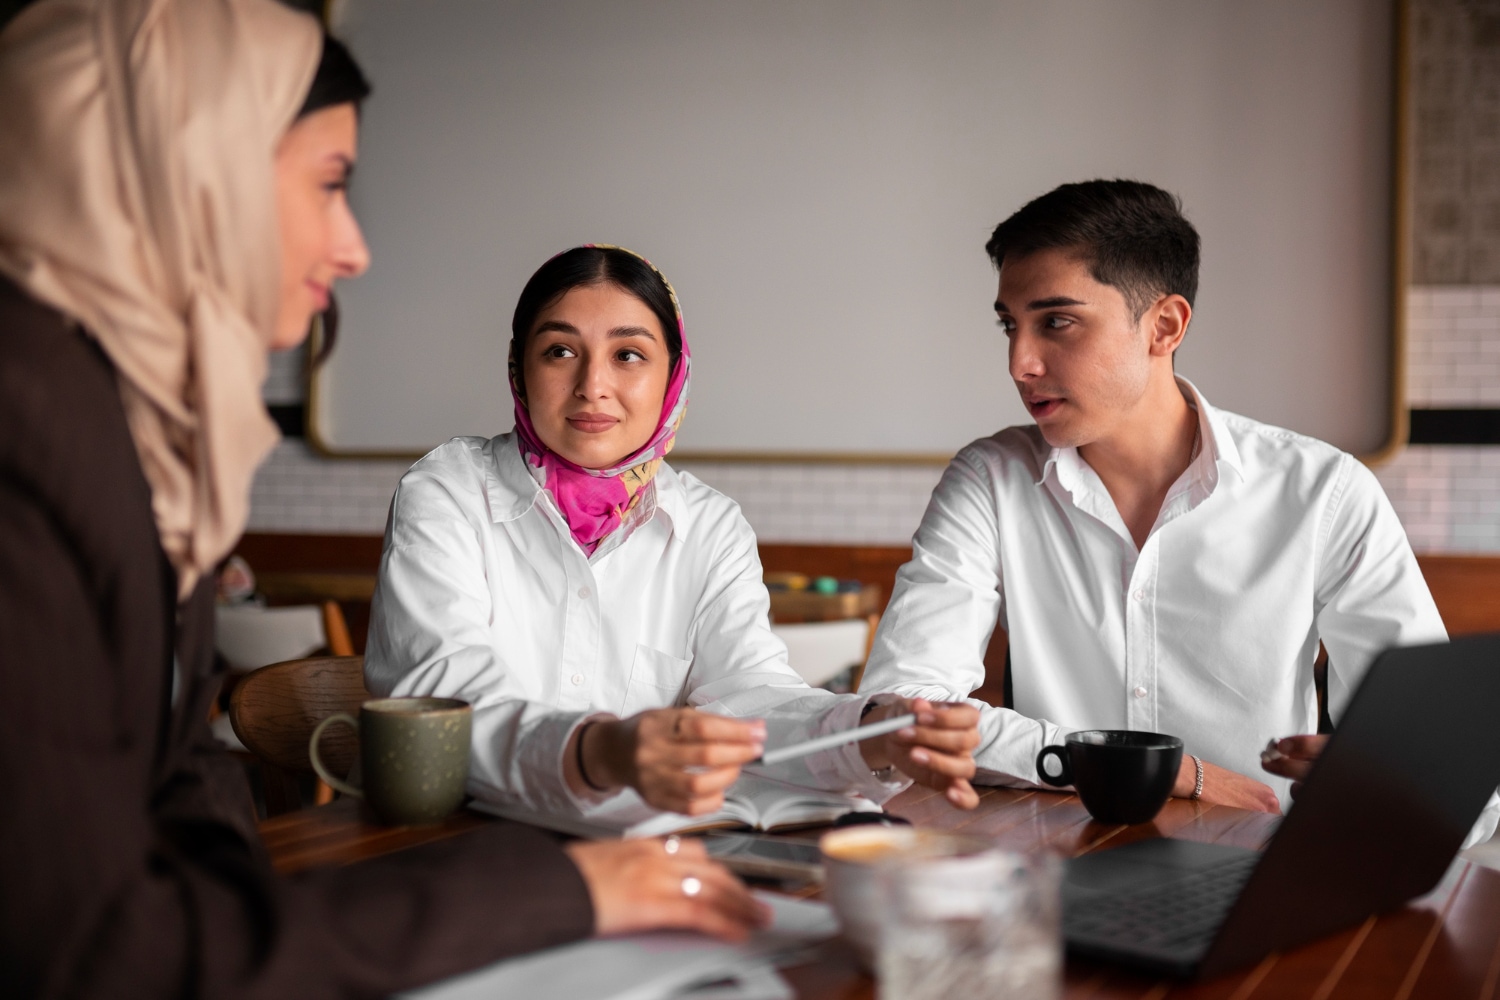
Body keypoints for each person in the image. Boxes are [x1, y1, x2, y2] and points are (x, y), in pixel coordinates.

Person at [0, 2, 767, 996]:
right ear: (185, 176)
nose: (355, 247)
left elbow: (183, 810)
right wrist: (554, 887)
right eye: (328, 185)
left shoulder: (152, 443)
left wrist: (869, 736)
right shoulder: (36, 428)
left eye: (629, 356)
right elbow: (94, 944)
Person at [860, 179, 1499, 845]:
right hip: (1058, 869)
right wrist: (1169, 773)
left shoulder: (1324, 492)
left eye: (1056, 322)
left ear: (1164, 326)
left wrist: (1397, 775)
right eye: (1009, 325)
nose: (1020, 362)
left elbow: (1462, 785)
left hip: (1255, 871)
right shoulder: (989, 480)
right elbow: (901, 719)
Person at [364, 245, 983, 822]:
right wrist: (599, 751)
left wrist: (871, 730)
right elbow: (444, 701)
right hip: (458, 844)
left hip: (642, 859)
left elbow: (750, 694)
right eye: (560, 351)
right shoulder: (448, 491)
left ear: (673, 375)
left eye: (627, 355)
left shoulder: (709, 526)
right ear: (519, 370)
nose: (592, 386)